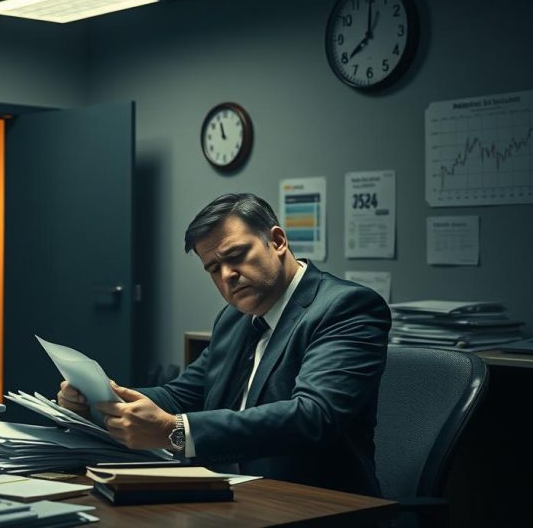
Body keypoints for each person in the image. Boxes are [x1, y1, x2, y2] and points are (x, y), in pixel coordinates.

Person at [58, 193, 390, 496]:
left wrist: (176, 431)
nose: (228, 275)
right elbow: (182, 395)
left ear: (277, 241)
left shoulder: (346, 307)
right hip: (229, 494)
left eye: (236, 256)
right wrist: (101, 400)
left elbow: (312, 416)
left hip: (314, 502)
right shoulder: (234, 318)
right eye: (214, 268)